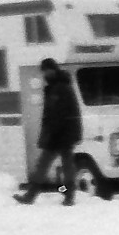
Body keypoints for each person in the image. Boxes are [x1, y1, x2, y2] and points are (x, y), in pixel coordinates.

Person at [13, 58, 82, 206]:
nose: (44, 73)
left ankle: (34, 195)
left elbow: (58, 114)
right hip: (63, 134)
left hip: (60, 134)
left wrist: (51, 134)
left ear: (52, 69)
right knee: (64, 166)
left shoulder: (59, 88)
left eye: (46, 70)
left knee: (46, 165)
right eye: (43, 71)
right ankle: (67, 195)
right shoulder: (58, 86)